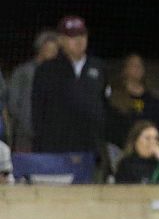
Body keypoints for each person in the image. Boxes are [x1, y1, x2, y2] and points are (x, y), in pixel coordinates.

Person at [31, 16, 110, 160]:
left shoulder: (98, 67)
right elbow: (37, 111)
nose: (79, 40)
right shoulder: (47, 70)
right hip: (56, 149)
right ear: (60, 40)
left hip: (91, 149)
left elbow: (104, 106)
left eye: (82, 35)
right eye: (72, 36)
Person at [106, 53, 159, 152]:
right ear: (125, 69)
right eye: (133, 65)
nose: (137, 68)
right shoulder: (115, 100)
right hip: (124, 152)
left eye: (140, 65)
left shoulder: (154, 101)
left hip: (151, 151)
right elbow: (111, 132)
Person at [6, 29, 59, 151]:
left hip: (51, 136)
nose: (55, 53)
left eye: (56, 50)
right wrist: (26, 124)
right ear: (41, 48)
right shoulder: (23, 71)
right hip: (25, 135)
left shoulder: (58, 74)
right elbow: (13, 103)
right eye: (52, 49)